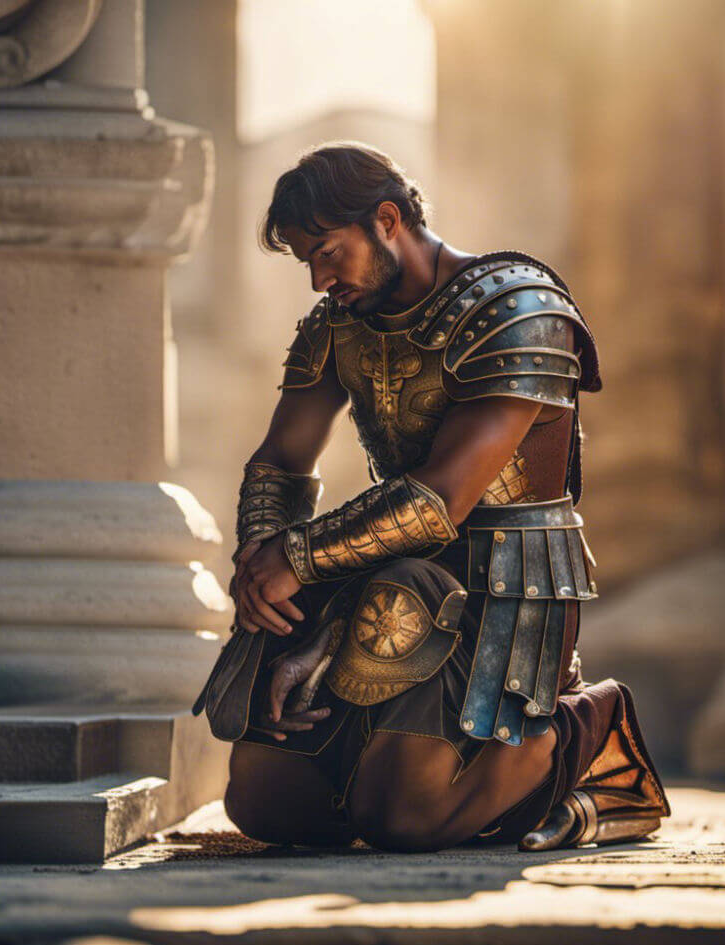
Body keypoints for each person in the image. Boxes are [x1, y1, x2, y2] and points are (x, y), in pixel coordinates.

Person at [199, 142, 668, 852]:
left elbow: (438, 499)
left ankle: (589, 740)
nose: (320, 279)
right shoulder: (337, 327)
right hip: (387, 572)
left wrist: (295, 555)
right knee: (267, 804)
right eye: (308, 262)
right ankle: (429, 770)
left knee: (402, 821)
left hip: (507, 584)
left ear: (387, 220)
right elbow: (281, 462)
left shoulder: (519, 310)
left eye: (328, 252)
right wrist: (262, 563)